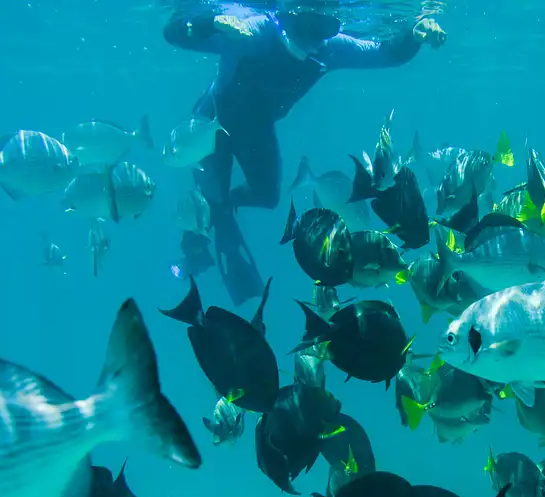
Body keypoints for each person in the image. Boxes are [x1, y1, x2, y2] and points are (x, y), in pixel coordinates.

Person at [164, 2, 447, 305]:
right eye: (312, 25)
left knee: (267, 196)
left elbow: (386, 53)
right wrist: (214, 23)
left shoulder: (329, 47)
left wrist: (414, 36)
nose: (315, 39)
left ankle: (221, 207)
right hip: (211, 123)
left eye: (327, 27)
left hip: (256, 127)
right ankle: (195, 242)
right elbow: (174, 33)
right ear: (292, 16)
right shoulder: (257, 32)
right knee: (213, 199)